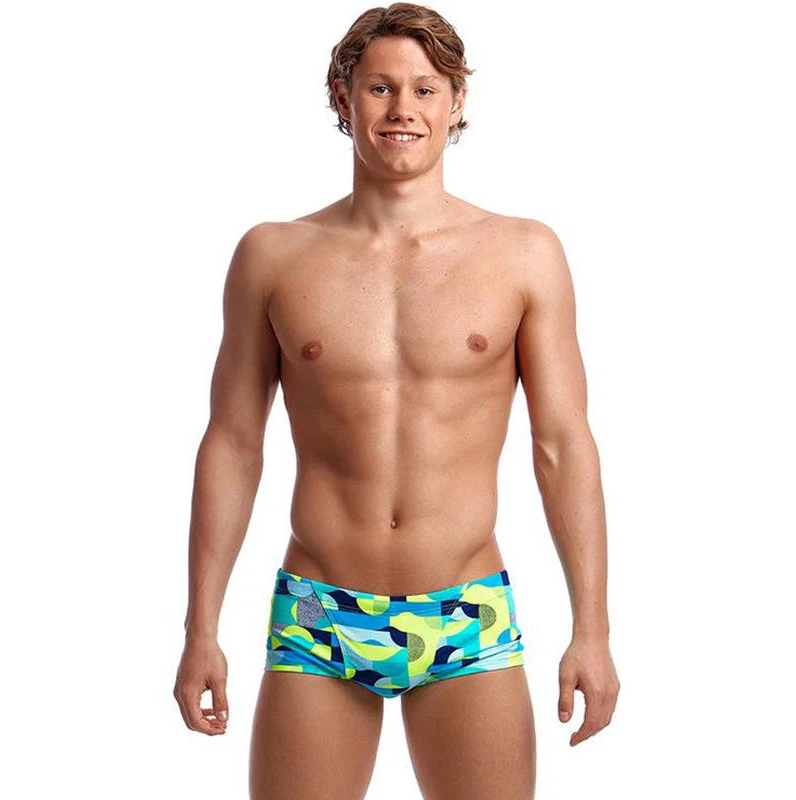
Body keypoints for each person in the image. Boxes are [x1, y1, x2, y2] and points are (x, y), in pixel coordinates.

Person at [173, 3, 619, 798]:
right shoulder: (273, 256)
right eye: (380, 88)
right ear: (343, 99)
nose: (402, 109)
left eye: (424, 89)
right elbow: (234, 442)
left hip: (466, 611)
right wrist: (199, 627)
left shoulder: (524, 254)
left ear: (457, 102)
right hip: (320, 612)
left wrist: (593, 627)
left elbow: (562, 443)